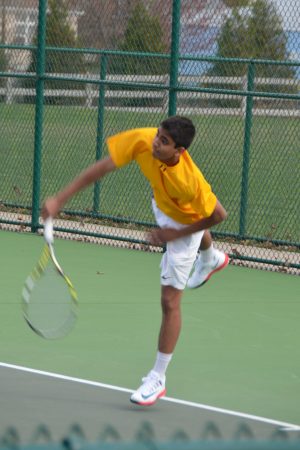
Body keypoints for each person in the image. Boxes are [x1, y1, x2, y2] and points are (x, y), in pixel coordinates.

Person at [42, 116, 229, 406]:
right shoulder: (143, 140)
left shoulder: (189, 182)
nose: (156, 141)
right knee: (190, 220)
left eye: (164, 141)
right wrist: (60, 199)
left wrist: (174, 233)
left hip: (185, 225)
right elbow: (103, 167)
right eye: (158, 135)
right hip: (164, 203)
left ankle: (158, 377)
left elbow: (217, 215)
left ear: (179, 151)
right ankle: (211, 257)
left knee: (169, 301)